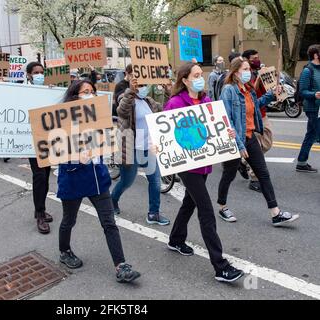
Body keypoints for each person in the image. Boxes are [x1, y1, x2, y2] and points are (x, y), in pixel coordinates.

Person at [164, 62, 244, 283]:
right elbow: (165, 136)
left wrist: (225, 133)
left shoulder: (207, 101)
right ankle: (221, 267)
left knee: (189, 202)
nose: (201, 78)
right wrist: (157, 145)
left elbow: (213, 130)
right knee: (206, 211)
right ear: (185, 80)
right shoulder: (175, 103)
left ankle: (175, 239)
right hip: (187, 167)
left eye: (202, 74)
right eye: (196, 75)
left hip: (204, 164)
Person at [57, 79, 141, 283]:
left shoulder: (99, 117)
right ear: (74, 96)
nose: (90, 94)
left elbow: (106, 142)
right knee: (69, 220)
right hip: (73, 178)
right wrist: (76, 157)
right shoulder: (62, 120)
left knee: (109, 223)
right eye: (85, 91)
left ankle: (121, 266)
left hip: (98, 179)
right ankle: (64, 251)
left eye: (92, 91)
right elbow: (55, 150)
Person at [217, 57, 300, 226]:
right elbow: (226, 118)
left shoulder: (249, 89)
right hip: (235, 140)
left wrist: (271, 94)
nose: (249, 73)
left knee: (263, 174)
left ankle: (275, 213)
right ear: (235, 72)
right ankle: (222, 207)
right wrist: (239, 146)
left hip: (250, 137)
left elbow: (257, 106)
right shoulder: (229, 90)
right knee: (229, 174)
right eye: (245, 69)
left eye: (249, 69)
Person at [111, 78, 170, 226]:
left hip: (149, 148)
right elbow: (122, 110)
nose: (144, 88)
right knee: (126, 182)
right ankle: (112, 201)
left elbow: (166, 110)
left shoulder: (149, 101)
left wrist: (168, 91)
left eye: (145, 85)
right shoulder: (125, 99)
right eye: (141, 85)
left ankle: (153, 213)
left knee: (155, 181)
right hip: (130, 149)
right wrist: (131, 90)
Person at [239, 49, 274, 192]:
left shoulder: (261, 72)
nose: (257, 60)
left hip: (263, 114)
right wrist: (258, 80)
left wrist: (274, 87)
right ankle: (254, 179)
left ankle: (242, 161)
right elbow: (252, 100)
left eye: (258, 57)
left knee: (268, 143)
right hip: (251, 117)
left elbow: (267, 92)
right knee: (257, 148)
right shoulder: (244, 78)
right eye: (254, 58)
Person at [25, 62, 53, 234]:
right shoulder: (21, 91)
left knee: (46, 176)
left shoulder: (47, 90)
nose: (39, 75)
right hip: (31, 141)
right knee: (39, 177)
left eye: (42, 72)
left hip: (47, 140)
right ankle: (40, 214)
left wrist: (52, 94)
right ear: (28, 75)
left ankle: (40, 208)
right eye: (36, 72)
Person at [296, 44, 320, 173]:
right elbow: (302, 91)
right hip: (313, 108)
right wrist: (314, 94)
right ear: (316, 55)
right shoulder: (307, 70)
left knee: (311, 135)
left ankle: (301, 162)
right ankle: (301, 163)